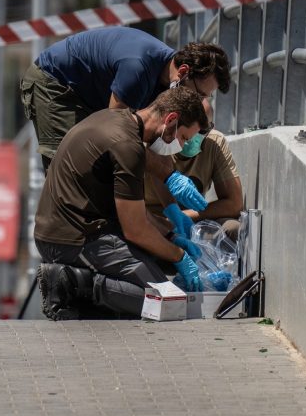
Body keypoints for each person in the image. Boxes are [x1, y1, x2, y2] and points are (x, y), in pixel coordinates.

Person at [33, 86, 209, 321]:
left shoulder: (116, 118)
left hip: (79, 227)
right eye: (183, 138)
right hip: (70, 238)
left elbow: (133, 211)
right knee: (168, 302)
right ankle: (72, 283)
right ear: (171, 120)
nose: (181, 146)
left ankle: (95, 294)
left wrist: (171, 238)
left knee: (161, 263)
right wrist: (178, 256)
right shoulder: (128, 146)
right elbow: (135, 229)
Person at [20, 25, 230, 218]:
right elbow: (117, 137)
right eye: (199, 93)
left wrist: (171, 208)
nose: (198, 101)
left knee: (100, 170)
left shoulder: (169, 84)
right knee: (71, 168)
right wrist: (169, 176)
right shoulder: (138, 69)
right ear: (183, 72)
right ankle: (63, 239)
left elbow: (156, 149)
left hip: (92, 94)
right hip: (57, 83)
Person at [144, 100, 243, 241]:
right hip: (153, 221)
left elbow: (234, 204)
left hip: (193, 218)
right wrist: (166, 220)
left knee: (232, 228)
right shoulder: (155, 141)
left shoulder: (214, 143)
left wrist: (184, 216)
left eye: (203, 130)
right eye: (190, 129)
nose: (194, 136)